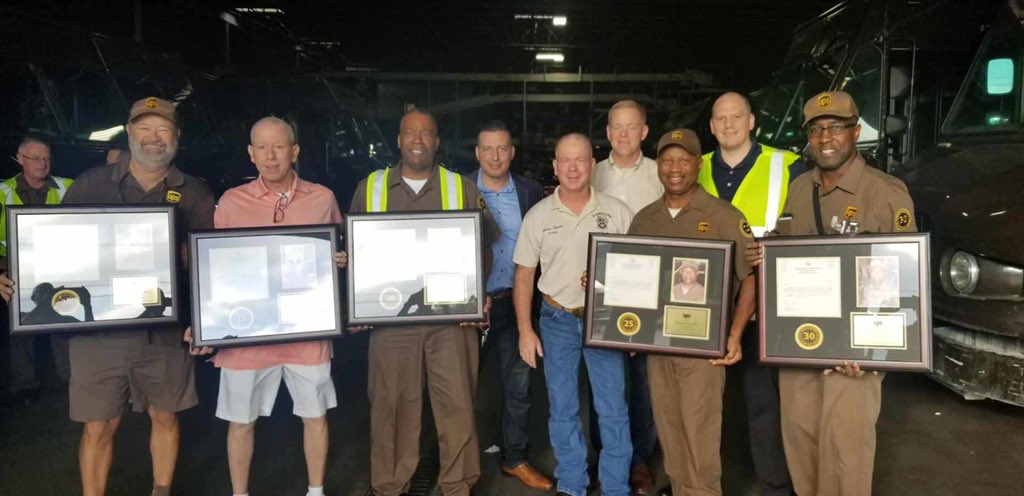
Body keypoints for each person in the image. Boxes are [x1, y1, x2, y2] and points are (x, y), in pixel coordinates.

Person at [0, 96, 216, 496]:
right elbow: (53, 245)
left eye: (163, 129)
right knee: (98, 424)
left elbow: (207, 268)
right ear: (130, 131)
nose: (154, 138)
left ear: (177, 137)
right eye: (145, 128)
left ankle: (161, 491)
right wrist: (18, 279)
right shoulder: (90, 183)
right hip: (99, 332)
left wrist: (202, 322)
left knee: (165, 416)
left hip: (165, 332)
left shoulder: (195, 194)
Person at [747, 91, 917, 496]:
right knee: (801, 444)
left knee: (846, 455)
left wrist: (875, 353)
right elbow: (787, 248)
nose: (826, 137)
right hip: (800, 344)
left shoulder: (886, 192)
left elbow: (906, 282)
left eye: (836, 127)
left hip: (853, 353)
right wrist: (765, 250)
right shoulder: (799, 188)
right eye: (817, 129)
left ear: (855, 131)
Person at [186, 116, 345, 496]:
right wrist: (202, 321)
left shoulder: (322, 198)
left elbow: (339, 249)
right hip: (248, 332)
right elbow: (213, 267)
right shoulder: (231, 203)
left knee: (316, 415)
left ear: (295, 152)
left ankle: (316, 491)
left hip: (306, 330)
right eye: (262, 147)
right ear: (251, 154)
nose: (271, 156)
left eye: (279, 147)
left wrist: (341, 259)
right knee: (240, 421)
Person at [349, 109, 496, 496]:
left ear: (437, 142)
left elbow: (485, 248)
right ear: (398, 140)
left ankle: (458, 484)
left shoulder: (459, 187)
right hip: (391, 323)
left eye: (426, 133)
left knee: (457, 406)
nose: (418, 139)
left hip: (451, 320)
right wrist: (355, 302)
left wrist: (477, 298)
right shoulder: (371, 187)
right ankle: (390, 484)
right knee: (391, 408)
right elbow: (354, 252)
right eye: (410, 133)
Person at [630, 128, 756, 495]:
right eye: (667, 159)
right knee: (669, 431)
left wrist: (734, 335)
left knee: (700, 434)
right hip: (657, 347)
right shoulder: (645, 219)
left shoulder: (723, 216)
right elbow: (632, 279)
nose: (674, 168)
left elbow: (749, 279)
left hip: (703, 350)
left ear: (698, 165)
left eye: (683, 160)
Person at [513, 133, 634, 496]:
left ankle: (615, 486)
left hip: (606, 321)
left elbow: (638, 269)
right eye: (565, 160)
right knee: (562, 407)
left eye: (580, 160)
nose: (573, 168)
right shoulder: (539, 216)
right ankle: (572, 483)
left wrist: (631, 323)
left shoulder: (617, 212)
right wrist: (525, 330)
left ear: (591, 165)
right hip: (557, 319)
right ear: (555, 166)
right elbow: (523, 274)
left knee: (612, 407)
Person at [698, 91, 804, 496]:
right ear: (710, 126)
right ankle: (704, 483)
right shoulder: (696, 166)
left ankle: (774, 484)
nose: (728, 125)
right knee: (706, 402)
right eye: (720, 119)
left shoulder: (787, 166)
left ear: (752, 121)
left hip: (765, 305)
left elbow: (803, 228)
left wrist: (774, 243)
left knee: (763, 401)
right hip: (706, 304)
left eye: (736, 117)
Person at [468, 120, 551, 490]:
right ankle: (458, 465)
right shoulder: (459, 189)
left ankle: (514, 459)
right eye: (487, 149)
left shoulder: (531, 191)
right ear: (477, 154)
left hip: (517, 304)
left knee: (518, 388)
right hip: (470, 310)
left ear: (512, 152)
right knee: (459, 388)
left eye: (502, 148)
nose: (495, 156)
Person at [591, 99, 662, 494]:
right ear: (607, 133)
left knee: (642, 382)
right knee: (603, 381)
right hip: (602, 291)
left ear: (644, 131)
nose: (622, 134)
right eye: (616, 127)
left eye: (631, 127)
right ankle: (605, 458)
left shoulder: (659, 174)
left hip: (647, 290)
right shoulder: (591, 173)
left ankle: (639, 462)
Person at [0, 137, 74, 407]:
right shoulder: (2, 192)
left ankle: (71, 380)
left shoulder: (67, 186)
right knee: (21, 329)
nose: (43, 164)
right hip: (16, 269)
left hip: (60, 267)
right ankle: (24, 387)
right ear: (19, 159)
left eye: (47, 158)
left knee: (64, 322)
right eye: (35, 158)